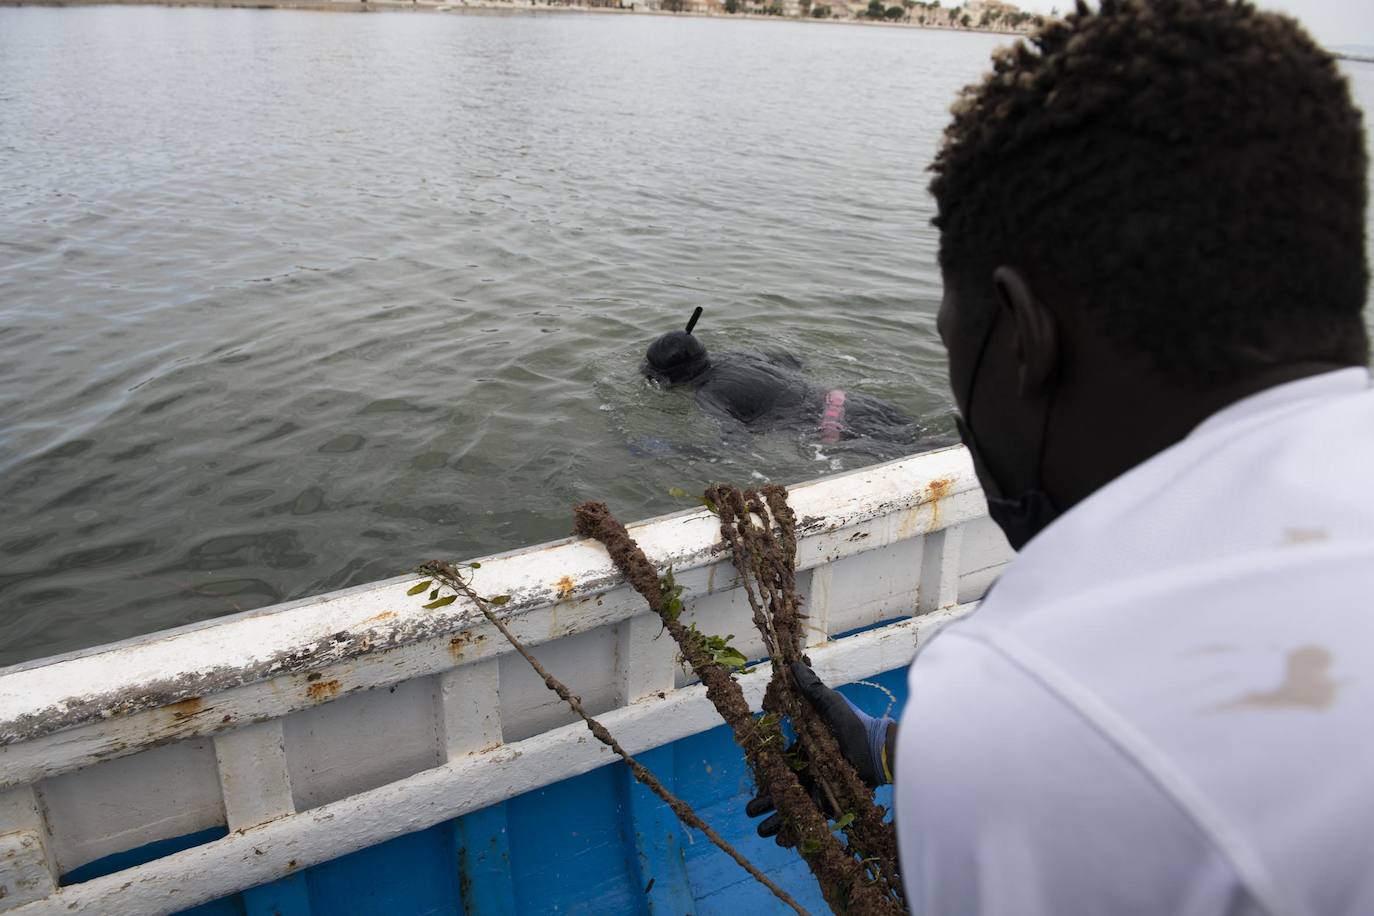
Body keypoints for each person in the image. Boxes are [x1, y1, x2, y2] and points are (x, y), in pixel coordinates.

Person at [752, 1, 1374, 912]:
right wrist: (890, 751)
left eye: (952, 344)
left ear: (1022, 338)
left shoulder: (1020, 706)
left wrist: (961, 745)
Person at [640, 307, 927, 449]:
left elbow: (735, 445)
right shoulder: (739, 355)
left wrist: (675, 449)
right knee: (930, 441)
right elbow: (795, 360)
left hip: (833, 429)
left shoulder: (708, 396)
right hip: (851, 402)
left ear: (671, 380)